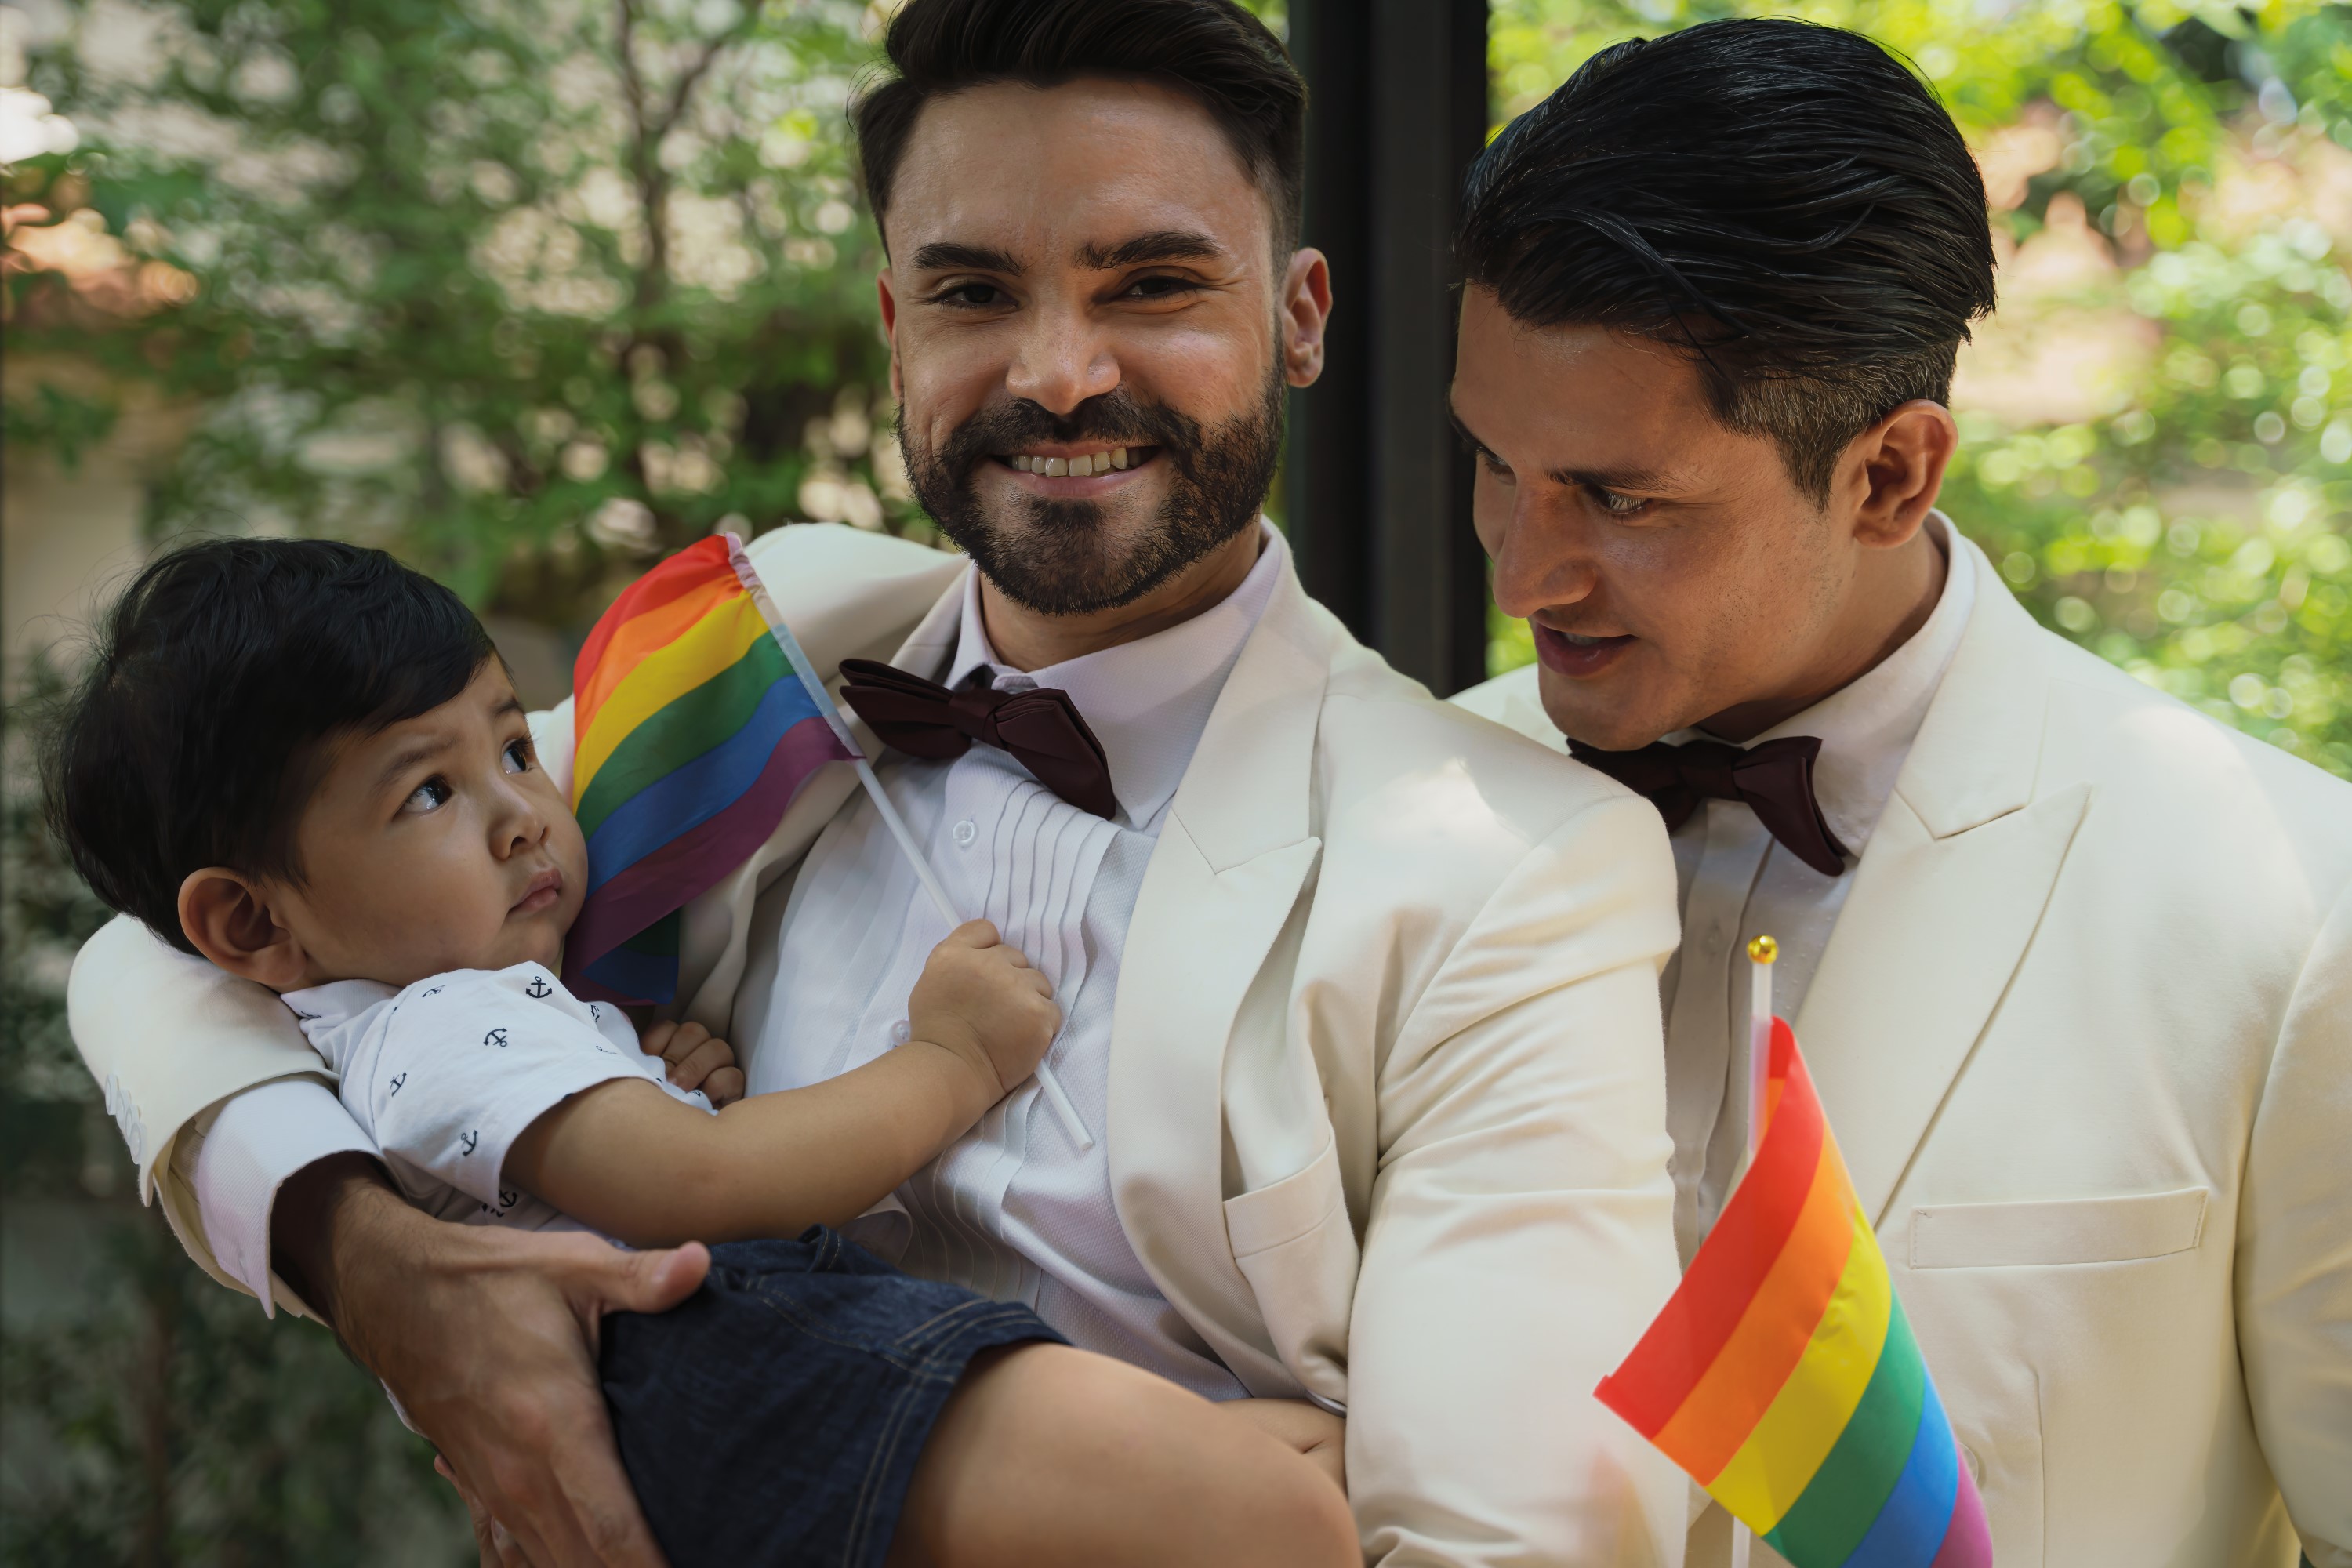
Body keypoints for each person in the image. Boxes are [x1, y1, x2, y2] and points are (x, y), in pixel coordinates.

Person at [65, 1, 1691, 1563]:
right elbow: (184, 932)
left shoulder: (1513, 865)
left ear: (1299, 316)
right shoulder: (753, 648)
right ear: (897, 327)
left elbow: (1511, 1544)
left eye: (1154, 284)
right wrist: (366, 1253)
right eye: (977, 291)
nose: (1059, 373)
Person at [1446, 20, 2351, 1567]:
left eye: (1619, 497)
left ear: (1889, 475)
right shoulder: (1413, 809)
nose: (1524, 569)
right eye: (1492, 465)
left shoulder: (2293, 913)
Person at [45, 536, 1359, 1567]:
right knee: (1284, 1518)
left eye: (511, 748)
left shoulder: (456, 1005)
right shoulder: (441, 1018)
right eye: (429, 792)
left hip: (767, 1368)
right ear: (249, 921)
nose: (521, 814)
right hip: (726, 1360)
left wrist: (640, 1079)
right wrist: (949, 1060)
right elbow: (707, 1186)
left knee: (1307, 1472)